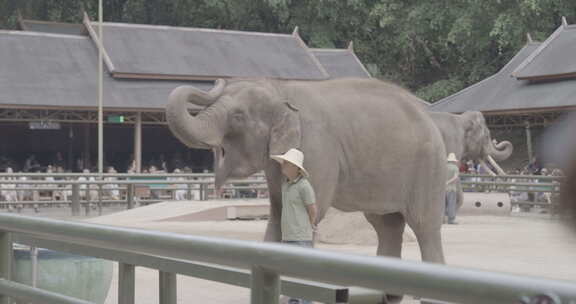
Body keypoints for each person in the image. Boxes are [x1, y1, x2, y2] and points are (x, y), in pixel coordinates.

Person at [271, 148, 316, 304]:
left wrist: (308, 227)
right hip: (288, 237)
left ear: (296, 167)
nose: (283, 165)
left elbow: (312, 210)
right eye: (284, 162)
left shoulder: (304, 186)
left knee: (302, 275)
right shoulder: (286, 185)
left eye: (287, 163)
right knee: (291, 275)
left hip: (301, 238)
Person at [445, 153, 460, 225]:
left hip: (443, 189)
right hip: (452, 189)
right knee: (451, 204)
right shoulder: (455, 167)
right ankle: (451, 219)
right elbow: (455, 177)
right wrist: (448, 182)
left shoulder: (444, 167)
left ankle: (442, 219)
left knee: (443, 204)